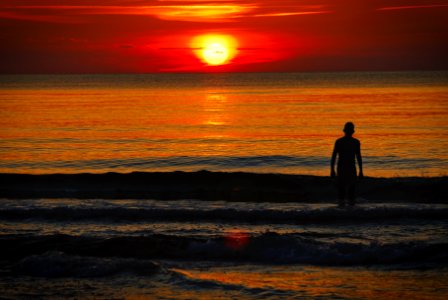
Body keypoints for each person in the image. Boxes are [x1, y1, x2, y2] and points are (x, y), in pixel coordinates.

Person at [331, 122, 363, 207]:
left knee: (351, 190)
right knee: (342, 190)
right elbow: (334, 156)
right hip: (342, 168)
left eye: (350, 129)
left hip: (350, 168)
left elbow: (358, 157)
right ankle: (344, 209)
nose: (349, 131)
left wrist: (361, 171)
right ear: (345, 130)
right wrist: (332, 170)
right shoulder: (339, 142)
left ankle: (348, 210)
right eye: (348, 129)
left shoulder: (356, 142)